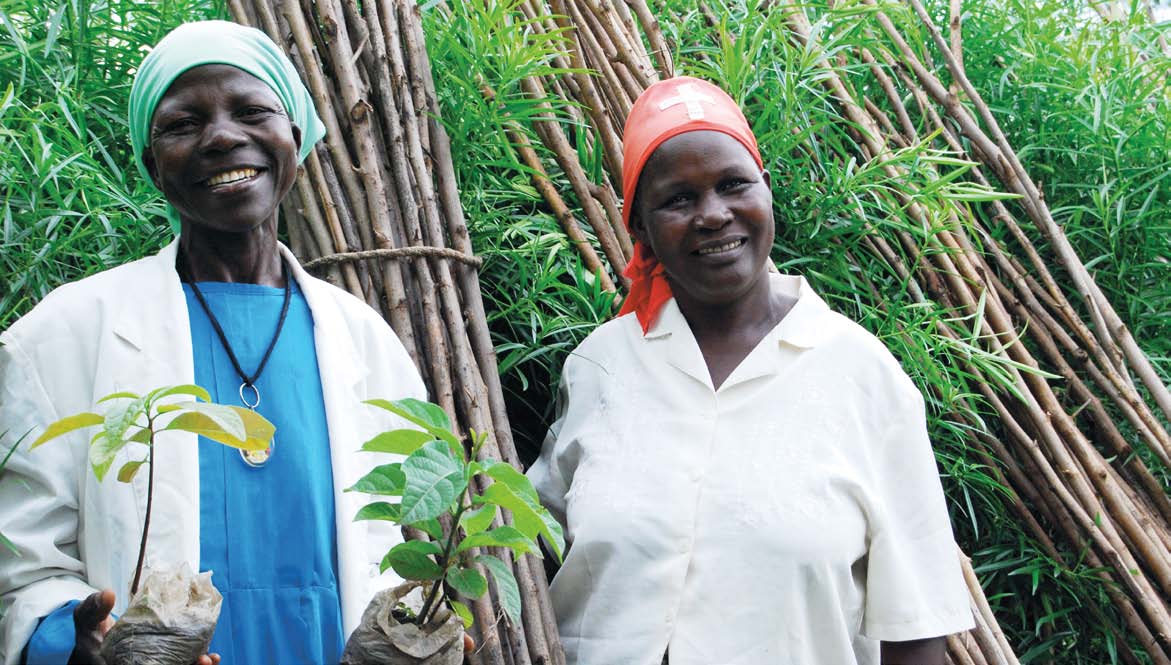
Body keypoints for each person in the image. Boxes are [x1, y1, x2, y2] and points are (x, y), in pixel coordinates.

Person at [0, 21, 425, 665]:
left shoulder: (367, 342)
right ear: (152, 163)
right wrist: (72, 638)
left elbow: (384, 547)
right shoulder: (62, 335)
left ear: (296, 137)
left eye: (252, 110)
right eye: (182, 124)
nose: (224, 136)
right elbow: (23, 564)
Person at [527, 77, 975, 665]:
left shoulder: (863, 378)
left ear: (766, 192)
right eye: (678, 199)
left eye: (733, 185)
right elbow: (523, 540)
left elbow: (916, 628)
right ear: (639, 227)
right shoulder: (600, 367)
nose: (713, 215)